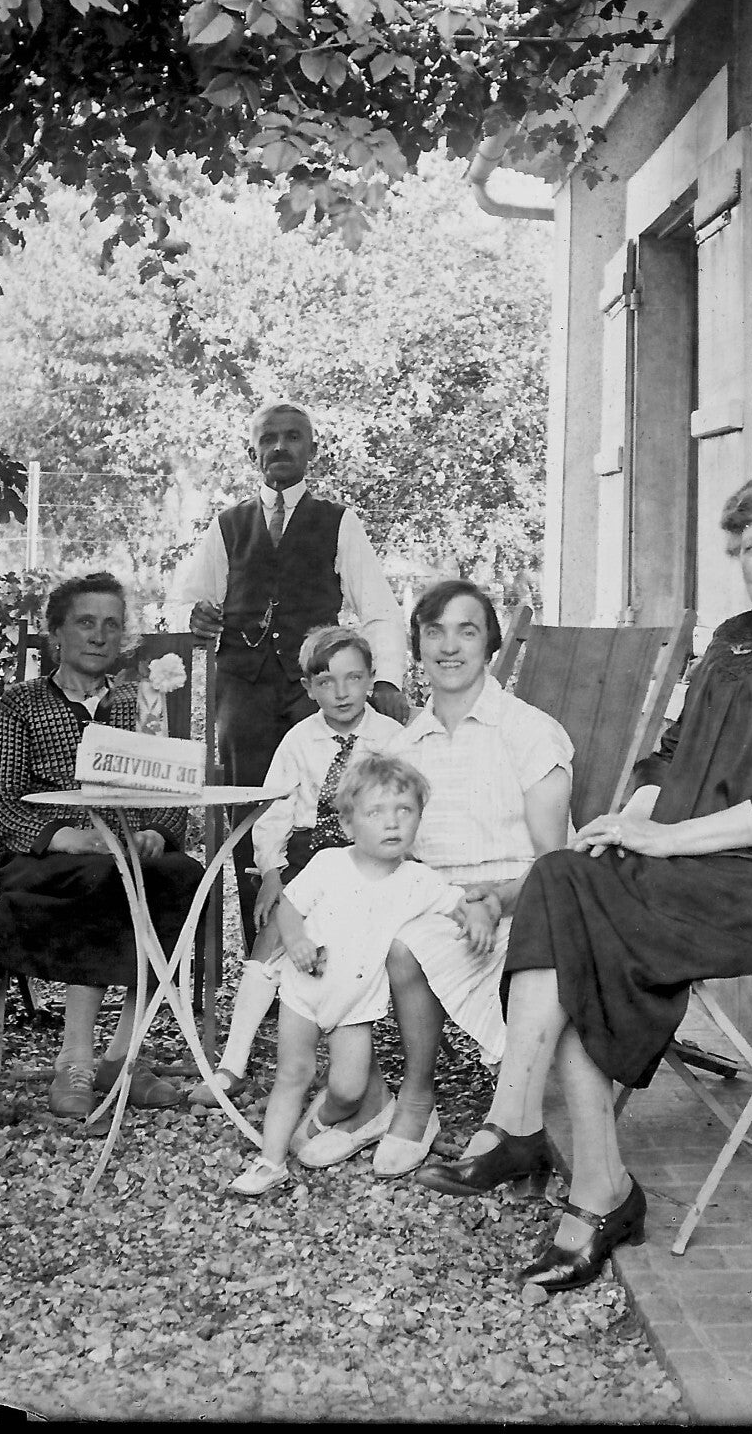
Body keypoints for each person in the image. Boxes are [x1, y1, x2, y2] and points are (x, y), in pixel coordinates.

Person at [415, 471, 752, 1293]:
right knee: (569, 874)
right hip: (690, 869)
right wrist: (627, 821)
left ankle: (541, 1143)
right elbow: (670, 755)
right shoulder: (734, 640)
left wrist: (667, 839)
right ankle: (578, 1169)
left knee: (575, 911)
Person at [290, 579, 574, 1178]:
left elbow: (557, 864)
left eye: (466, 631)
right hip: (434, 904)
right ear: (417, 646)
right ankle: (366, 1095)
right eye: (434, 632)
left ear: (491, 644)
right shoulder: (404, 746)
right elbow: (387, 855)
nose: (449, 646)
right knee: (332, 926)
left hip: (526, 908)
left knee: (402, 944)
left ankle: (415, 1102)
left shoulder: (528, 730)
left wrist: (495, 899)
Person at [0, 572, 206, 1122]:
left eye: (112, 625)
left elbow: (170, 786)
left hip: (129, 852)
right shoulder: (23, 705)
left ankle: (121, 1057)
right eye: (86, 622)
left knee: (182, 876)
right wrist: (68, 838)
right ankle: (74, 1060)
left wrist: (156, 832)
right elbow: (1, 800)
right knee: (107, 880)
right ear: (56, 632)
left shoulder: (139, 705)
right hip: (43, 857)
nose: (99, 635)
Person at [175, 399, 408, 952]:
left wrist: (387, 681)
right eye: (269, 438)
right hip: (243, 688)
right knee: (249, 807)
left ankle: (330, 942)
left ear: (312, 449)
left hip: (315, 690)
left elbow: (378, 608)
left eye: (293, 437)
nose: (280, 446)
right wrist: (193, 615)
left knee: (322, 806)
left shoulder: (338, 521)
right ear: (251, 451)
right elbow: (187, 598)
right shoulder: (228, 525)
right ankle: (264, 948)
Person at [228, 755, 468, 1195]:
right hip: (306, 990)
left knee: (349, 1088)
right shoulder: (329, 863)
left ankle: (323, 1118)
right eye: (375, 813)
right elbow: (289, 907)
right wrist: (296, 940)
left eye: (405, 810)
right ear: (348, 824)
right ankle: (270, 1162)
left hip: (355, 1006)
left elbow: (458, 904)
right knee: (292, 1074)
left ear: (420, 817)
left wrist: (479, 917)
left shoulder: (419, 880)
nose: (392, 823)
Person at [188, 624, 405, 1106]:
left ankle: (349, 1068)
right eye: (326, 681)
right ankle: (232, 1065)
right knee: (276, 932)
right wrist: (271, 874)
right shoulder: (298, 740)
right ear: (308, 688)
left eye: (353, 678)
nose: (341, 692)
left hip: (369, 857)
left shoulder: (392, 739)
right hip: (308, 858)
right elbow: (275, 813)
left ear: (371, 680)